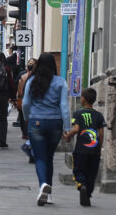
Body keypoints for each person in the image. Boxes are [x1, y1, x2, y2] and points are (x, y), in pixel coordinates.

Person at [22, 52, 70, 206]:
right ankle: (48, 195)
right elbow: (64, 106)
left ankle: (43, 184)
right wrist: (67, 127)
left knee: (40, 157)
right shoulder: (61, 82)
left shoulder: (32, 81)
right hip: (55, 123)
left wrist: (26, 117)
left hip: (36, 122)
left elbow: (25, 103)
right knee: (49, 157)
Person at [62, 87, 106, 206]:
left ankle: (82, 185)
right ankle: (88, 193)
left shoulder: (78, 114)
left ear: (83, 99)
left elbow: (76, 129)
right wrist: (99, 146)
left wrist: (68, 135)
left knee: (79, 170)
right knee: (92, 173)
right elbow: (101, 134)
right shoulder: (99, 115)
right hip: (94, 150)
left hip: (81, 150)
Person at [16, 57, 36, 160]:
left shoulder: (32, 78)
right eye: (29, 63)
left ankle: (31, 147)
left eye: (32, 63)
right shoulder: (23, 76)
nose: (30, 65)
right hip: (27, 103)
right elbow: (19, 89)